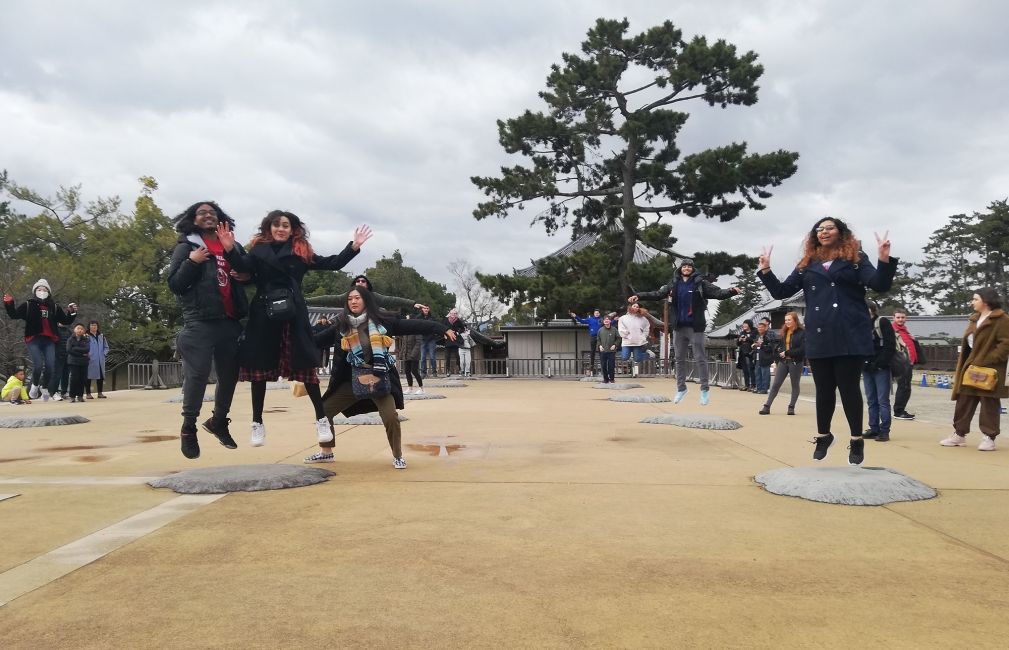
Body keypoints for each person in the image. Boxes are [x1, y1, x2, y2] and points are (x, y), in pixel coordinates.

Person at [758, 218, 896, 465]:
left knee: (849, 389)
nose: (824, 232)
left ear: (841, 232)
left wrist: (884, 260)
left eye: (829, 227)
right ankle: (824, 435)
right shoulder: (807, 263)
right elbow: (782, 292)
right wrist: (766, 271)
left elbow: (880, 284)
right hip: (820, 334)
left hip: (849, 333)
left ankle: (856, 439)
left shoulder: (855, 258)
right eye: (819, 229)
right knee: (824, 390)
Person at [239, 210, 371, 448]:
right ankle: (257, 422)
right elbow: (243, 269)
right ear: (269, 228)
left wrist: (353, 246)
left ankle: (321, 418)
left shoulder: (301, 252)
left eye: (286, 225)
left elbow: (332, 263)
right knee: (259, 369)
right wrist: (229, 249)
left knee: (305, 368)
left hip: (292, 314)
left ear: (293, 229)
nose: (281, 229)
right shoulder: (257, 250)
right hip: (263, 314)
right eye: (277, 225)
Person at [310, 286, 455, 468]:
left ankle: (397, 455)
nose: (353, 301)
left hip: (378, 377)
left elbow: (415, 326)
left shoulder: (382, 323)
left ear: (366, 301)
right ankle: (326, 452)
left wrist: (441, 328)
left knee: (390, 417)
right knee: (323, 411)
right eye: (350, 299)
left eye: (357, 298)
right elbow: (315, 341)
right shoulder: (342, 326)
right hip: (352, 379)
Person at [167, 200, 251, 459]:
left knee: (229, 376)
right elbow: (175, 285)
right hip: (199, 321)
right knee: (198, 374)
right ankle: (188, 427)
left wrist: (246, 274)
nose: (208, 216)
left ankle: (218, 421)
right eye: (202, 213)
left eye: (212, 213)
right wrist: (192, 262)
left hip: (229, 320)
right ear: (193, 219)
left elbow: (249, 271)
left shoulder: (231, 245)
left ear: (220, 218)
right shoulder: (187, 246)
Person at [629, 258, 740, 405]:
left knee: (700, 358)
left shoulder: (700, 283)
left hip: (696, 327)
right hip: (679, 327)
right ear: (680, 269)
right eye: (684, 266)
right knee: (679, 359)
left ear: (693, 269)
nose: (686, 268)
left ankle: (705, 390)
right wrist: (640, 295)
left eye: (689, 266)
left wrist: (731, 291)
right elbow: (658, 294)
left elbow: (718, 292)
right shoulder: (674, 283)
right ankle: (681, 388)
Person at [940, 288, 1009, 451]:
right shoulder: (974, 318)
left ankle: (989, 437)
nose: (972, 302)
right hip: (970, 366)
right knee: (964, 400)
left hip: (990, 369)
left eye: (975, 299)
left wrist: (988, 359)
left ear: (985, 301)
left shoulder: (1002, 319)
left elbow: (1006, 343)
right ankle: (959, 434)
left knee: (989, 402)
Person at [3, 279, 78, 401]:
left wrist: (72, 312)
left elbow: (66, 321)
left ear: (49, 292)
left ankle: (44, 386)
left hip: (49, 340)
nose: (42, 291)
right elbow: (14, 315)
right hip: (34, 339)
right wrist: (9, 304)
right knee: (38, 365)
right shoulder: (28, 305)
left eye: (44, 289)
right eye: (39, 289)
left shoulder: (54, 307)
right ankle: (35, 385)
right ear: (35, 291)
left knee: (50, 366)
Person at [759, 311, 805, 415]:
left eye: (789, 320)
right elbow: (781, 345)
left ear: (795, 320)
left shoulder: (802, 332)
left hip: (795, 362)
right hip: (783, 361)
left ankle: (791, 407)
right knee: (775, 384)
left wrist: (787, 352)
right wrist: (779, 352)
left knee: (795, 385)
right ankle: (767, 406)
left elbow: (802, 349)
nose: (787, 322)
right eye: (786, 320)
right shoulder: (785, 331)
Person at [862, 302, 895, 442]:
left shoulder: (882, 322)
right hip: (866, 367)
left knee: (882, 400)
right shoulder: (860, 324)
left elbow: (890, 345)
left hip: (881, 367)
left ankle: (884, 430)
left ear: (873, 310)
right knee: (871, 400)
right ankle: (873, 428)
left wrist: (880, 363)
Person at [306, 275, 427, 312]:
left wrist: (412, 304)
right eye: (357, 281)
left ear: (367, 285)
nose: (360, 282)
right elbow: (327, 299)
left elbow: (392, 300)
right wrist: (306, 301)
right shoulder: (347, 296)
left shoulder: (373, 296)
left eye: (363, 281)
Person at [891, 309, 920, 420]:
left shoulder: (905, 331)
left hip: (908, 363)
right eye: (898, 317)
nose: (900, 319)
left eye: (903, 317)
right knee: (903, 387)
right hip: (901, 364)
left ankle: (901, 409)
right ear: (893, 318)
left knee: (906, 387)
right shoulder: (893, 331)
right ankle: (898, 411)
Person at [617, 303, 650, 377]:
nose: (636, 307)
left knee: (638, 359)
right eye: (634, 306)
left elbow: (646, 328)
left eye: (637, 307)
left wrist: (643, 336)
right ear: (630, 307)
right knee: (624, 357)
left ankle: (647, 353)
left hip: (638, 342)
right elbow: (621, 328)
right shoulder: (623, 318)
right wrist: (626, 335)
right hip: (627, 341)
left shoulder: (643, 319)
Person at [570, 309, 603, 375]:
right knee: (592, 351)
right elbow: (582, 321)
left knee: (601, 351)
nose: (597, 314)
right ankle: (592, 367)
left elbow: (609, 323)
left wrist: (615, 320)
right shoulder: (590, 319)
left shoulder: (602, 319)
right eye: (595, 313)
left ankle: (603, 366)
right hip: (593, 336)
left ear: (599, 314)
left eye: (598, 313)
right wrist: (576, 316)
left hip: (600, 337)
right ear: (594, 314)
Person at [65, 323, 90, 403]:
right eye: (78, 328)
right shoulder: (70, 339)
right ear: (74, 329)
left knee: (82, 379)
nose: (80, 330)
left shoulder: (86, 339)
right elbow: (69, 350)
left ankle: (80, 396)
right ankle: (72, 396)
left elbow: (87, 349)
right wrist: (81, 353)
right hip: (73, 361)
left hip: (84, 362)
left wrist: (75, 348)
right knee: (74, 378)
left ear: (84, 331)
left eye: (82, 329)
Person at [85, 320, 110, 399]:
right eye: (92, 325)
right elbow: (83, 346)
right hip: (90, 359)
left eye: (95, 325)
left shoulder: (101, 336)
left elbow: (106, 347)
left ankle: (100, 393)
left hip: (100, 359)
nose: (93, 327)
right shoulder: (86, 336)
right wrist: (87, 354)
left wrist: (104, 354)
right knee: (88, 377)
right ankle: (88, 393)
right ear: (89, 326)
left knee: (100, 377)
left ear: (97, 326)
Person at [399, 325, 425, 395]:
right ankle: (410, 388)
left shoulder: (417, 331)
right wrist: (401, 354)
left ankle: (421, 388)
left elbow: (418, 344)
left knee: (414, 371)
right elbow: (403, 344)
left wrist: (413, 354)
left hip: (414, 355)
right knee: (407, 371)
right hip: (406, 354)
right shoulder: (405, 332)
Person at [751, 321, 775, 394]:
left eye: (761, 327)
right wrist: (754, 346)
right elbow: (756, 346)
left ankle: (764, 389)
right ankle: (758, 388)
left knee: (765, 374)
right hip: (757, 357)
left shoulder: (768, 336)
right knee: (757, 374)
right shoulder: (757, 336)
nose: (760, 329)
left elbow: (771, 348)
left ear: (765, 328)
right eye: (758, 327)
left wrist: (761, 346)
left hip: (765, 358)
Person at [416, 305, 440, 377]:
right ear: (422, 309)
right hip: (422, 339)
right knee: (423, 357)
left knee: (432, 357)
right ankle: (423, 372)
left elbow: (436, 327)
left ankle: (434, 372)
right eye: (424, 308)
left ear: (429, 309)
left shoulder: (432, 318)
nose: (426, 309)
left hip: (431, 339)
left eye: (427, 308)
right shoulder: (418, 317)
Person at [442, 308, 467, 376]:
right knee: (447, 356)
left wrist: (458, 332)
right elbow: (441, 327)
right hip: (448, 339)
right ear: (450, 314)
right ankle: (447, 370)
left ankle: (459, 370)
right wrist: (444, 334)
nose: (453, 315)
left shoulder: (458, 320)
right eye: (452, 313)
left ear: (456, 314)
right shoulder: (445, 320)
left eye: (455, 313)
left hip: (455, 339)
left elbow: (463, 328)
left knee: (457, 356)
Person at [596, 315, 620, 383]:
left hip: (611, 351)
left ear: (610, 321)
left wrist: (615, 345)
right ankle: (605, 379)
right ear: (603, 322)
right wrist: (600, 346)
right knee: (603, 365)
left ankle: (612, 379)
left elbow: (618, 338)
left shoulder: (614, 329)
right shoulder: (600, 330)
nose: (606, 321)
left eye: (607, 319)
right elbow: (598, 339)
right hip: (603, 351)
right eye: (605, 320)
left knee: (611, 365)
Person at [736, 320, 757, 391]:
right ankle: (747, 385)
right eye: (743, 324)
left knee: (751, 369)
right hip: (743, 354)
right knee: (745, 370)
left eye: (746, 324)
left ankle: (753, 385)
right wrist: (739, 340)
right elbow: (738, 344)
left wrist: (747, 338)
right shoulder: (742, 333)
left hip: (751, 353)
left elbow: (755, 340)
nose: (744, 326)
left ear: (749, 325)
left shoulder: (754, 331)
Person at [54, 323, 71, 401]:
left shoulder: (69, 331)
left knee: (66, 375)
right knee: (57, 375)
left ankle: (64, 392)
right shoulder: (54, 330)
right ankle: (54, 392)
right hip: (57, 356)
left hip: (67, 356)